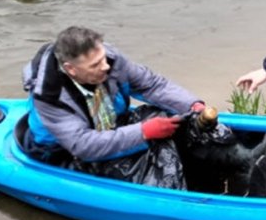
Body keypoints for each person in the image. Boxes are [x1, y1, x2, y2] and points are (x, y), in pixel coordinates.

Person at [21, 26, 205, 187]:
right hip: (64, 153)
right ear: (71, 69)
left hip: (109, 125)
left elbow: (151, 84)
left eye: (102, 58)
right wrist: (143, 132)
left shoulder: (110, 59)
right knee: (147, 163)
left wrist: (191, 104)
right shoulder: (49, 97)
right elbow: (83, 146)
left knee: (165, 116)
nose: (105, 67)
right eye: (95, 65)